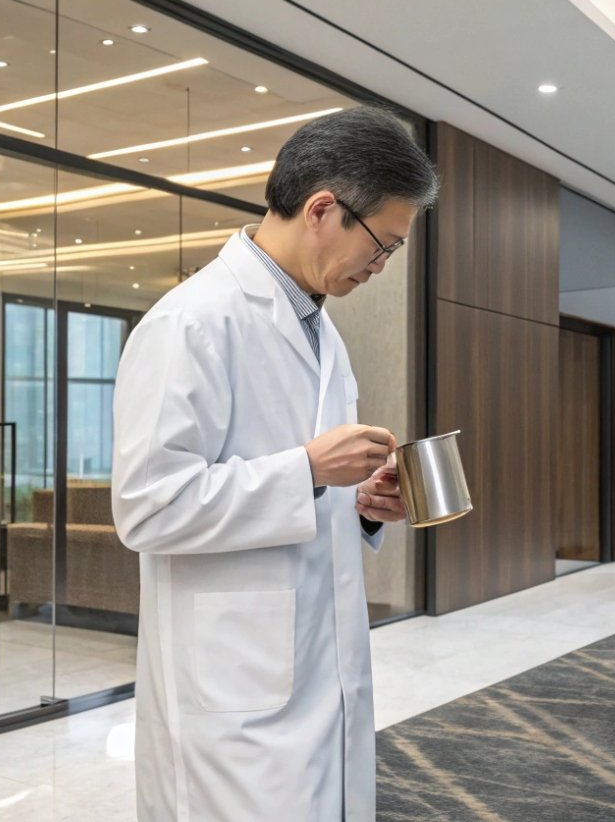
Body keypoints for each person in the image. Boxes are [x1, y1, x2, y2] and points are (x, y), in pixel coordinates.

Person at [110, 106, 439, 820]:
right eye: (382, 245)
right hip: (232, 687)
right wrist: (309, 471)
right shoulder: (190, 322)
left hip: (314, 661)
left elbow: (301, 485)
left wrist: (360, 503)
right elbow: (148, 508)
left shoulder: (320, 331)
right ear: (322, 209)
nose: (381, 267)